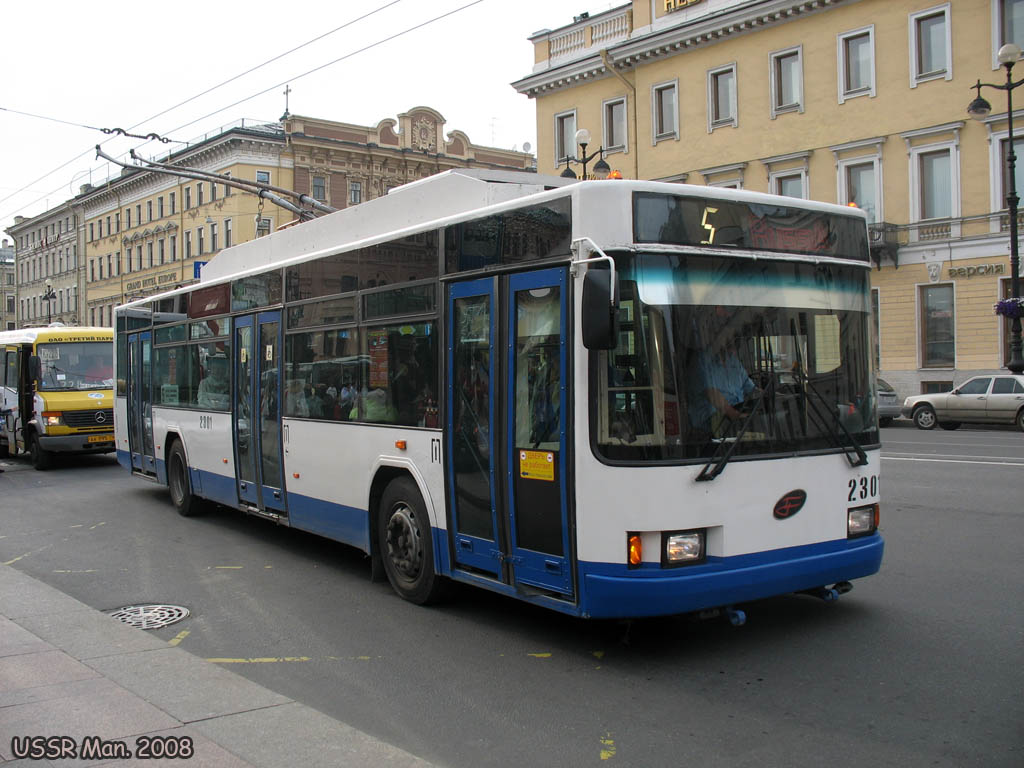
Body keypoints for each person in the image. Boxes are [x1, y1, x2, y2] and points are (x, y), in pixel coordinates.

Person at [689, 335, 759, 434]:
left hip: (736, 417)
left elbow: (751, 388)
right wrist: (735, 415)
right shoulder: (702, 360)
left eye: (737, 342)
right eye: (730, 341)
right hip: (712, 425)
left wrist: (773, 396)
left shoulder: (732, 360)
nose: (734, 346)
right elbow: (712, 393)